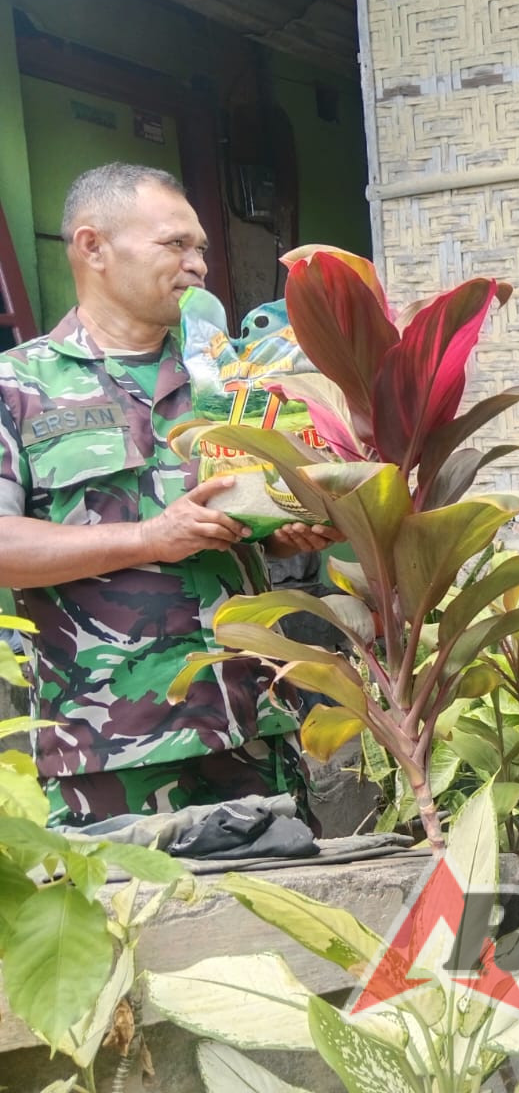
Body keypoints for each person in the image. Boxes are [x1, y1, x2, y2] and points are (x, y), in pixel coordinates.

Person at [0, 163, 336, 827]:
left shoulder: (234, 388)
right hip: (107, 754)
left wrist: (293, 529)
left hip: (251, 734)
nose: (199, 265)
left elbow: (269, 521)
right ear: (93, 248)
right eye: (175, 244)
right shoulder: (18, 389)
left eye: (202, 248)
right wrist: (150, 538)